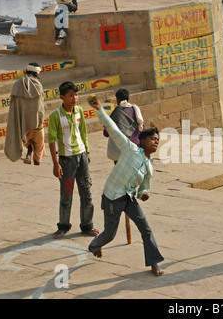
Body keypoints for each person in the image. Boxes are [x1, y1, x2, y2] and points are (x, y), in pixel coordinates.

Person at [87, 96, 164, 277]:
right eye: (153, 139)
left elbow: (145, 186)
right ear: (143, 141)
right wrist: (99, 109)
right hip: (112, 196)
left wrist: (144, 193)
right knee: (110, 235)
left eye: (158, 140)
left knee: (146, 229)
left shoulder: (148, 165)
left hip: (128, 198)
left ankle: (154, 263)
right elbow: (113, 130)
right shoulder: (130, 149)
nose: (156, 142)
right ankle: (95, 245)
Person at [47, 81, 99, 239]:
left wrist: (87, 152)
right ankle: (63, 226)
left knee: (86, 192)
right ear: (62, 97)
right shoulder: (55, 116)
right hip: (66, 160)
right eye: (71, 95)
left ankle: (87, 225)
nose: (74, 98)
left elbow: (83, 132)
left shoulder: (79, 111)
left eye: (76, 94)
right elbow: (51, 140)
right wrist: (56, 163)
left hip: (82, 157)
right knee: (66, 194)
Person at [4, 62, 46, 165]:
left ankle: (28, 155)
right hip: (36, 123)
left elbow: (14, 105)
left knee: (28, 139)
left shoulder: (17, 84)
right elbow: (40, 107)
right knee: (38, 142)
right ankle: (37, 159)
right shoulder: (38, 85)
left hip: (22, 122)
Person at [103, 88, 144, 164]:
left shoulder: (116, 113)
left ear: (118, 100)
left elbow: (106, 133)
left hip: (121, 151)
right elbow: (142, 129)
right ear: (128, 98)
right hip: (135, 149)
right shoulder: (136, 111)